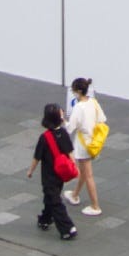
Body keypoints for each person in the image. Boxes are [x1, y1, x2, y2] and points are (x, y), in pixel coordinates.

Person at [26, 103, 79, 240]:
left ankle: (67, 228)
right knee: (50, 197)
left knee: (55, 200)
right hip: (61, 175)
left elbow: (37, 158)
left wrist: (30, 171)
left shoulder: (44, 138)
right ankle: (45, 219)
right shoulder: (64, 133)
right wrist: (74, 166)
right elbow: (70, 152)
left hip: (49, 176)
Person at [66, 76, 106, 217]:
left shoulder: (78, 107)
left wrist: (62, 122)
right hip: (94, 141)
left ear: (78, 91)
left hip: (83, 144)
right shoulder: (94, 102)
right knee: (84, 172)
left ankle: (95, 206)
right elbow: (102, 119)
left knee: (88, 175)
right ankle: (75, 195)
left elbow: (70, 128)